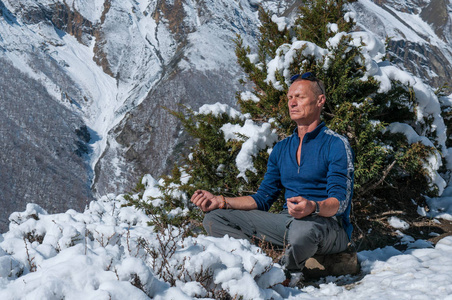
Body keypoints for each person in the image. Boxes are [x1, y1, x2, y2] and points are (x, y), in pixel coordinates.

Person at [190, 72, 354, 273]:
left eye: (300, 97)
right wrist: (221, 201)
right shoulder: (281, 148)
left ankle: (283, 273)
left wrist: (313, 207)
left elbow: (340, 203)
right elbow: (263, 198)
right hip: (287, 223)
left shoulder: (335, 143)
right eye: (289, 98)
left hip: (328, 226)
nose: (292, 103)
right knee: (214, 218)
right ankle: (256, 264)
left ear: (320, 101)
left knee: (304, 231)